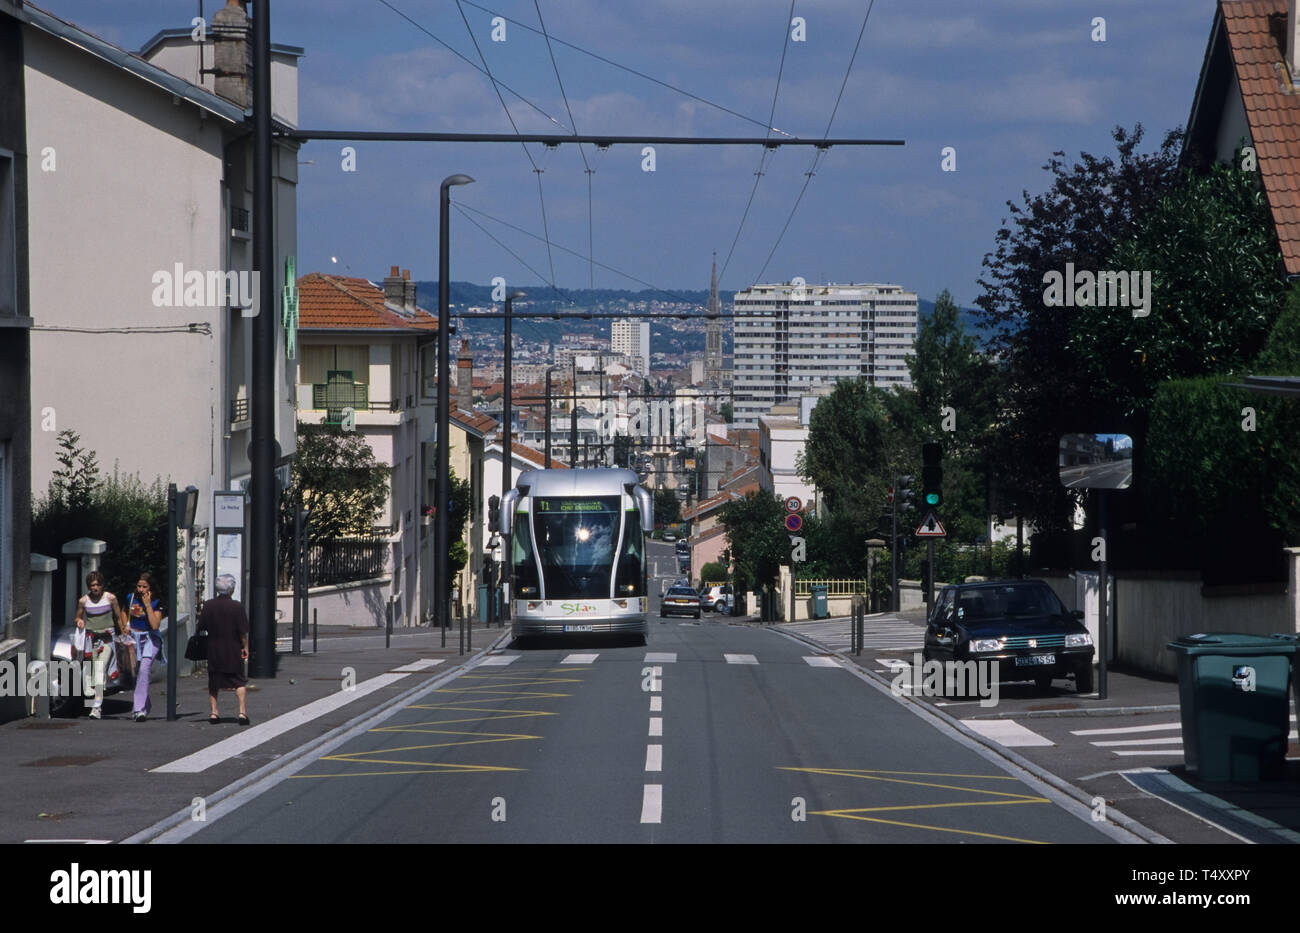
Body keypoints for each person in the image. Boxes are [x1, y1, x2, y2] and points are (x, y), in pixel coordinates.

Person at [74, 571, 126, 719]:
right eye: (92, 585)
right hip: (91, 639)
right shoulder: (84, 601)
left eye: (97, 585)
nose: (95, 588)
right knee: (91, 673)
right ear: (88, 587)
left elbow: (118, 617)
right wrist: (79, 621)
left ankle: (96, 708)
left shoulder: (111, 598)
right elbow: (77, 616)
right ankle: (95, 704)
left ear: (102, 585)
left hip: (107, 638)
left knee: (100, 669)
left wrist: (123, 633)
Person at [200, 574, 250, 725]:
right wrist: (245, 647)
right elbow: (242, 631)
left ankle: (214, 712)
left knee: (214, 681)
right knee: (239, 680)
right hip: (233, 648)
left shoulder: (208, 605)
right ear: (232, 589)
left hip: (214, 648)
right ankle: (242, 712)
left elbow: (202, 626)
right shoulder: (237, 606)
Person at [125, 572, 163, 722]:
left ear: (151, 588)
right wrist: (125, 625)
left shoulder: (156, 603)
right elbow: (123, 611)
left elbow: (155, 625)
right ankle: (145, 704)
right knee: (137, 674)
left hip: (150, 639)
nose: (141, 589)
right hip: (134, 639)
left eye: (144, 587)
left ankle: (139, 709)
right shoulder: (131, 598)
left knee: (144, 669)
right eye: (139, 586)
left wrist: (147, 605)